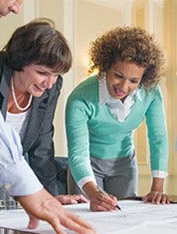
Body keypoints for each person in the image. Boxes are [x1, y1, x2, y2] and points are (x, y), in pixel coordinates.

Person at [0, 1, 95, 233]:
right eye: (43, 72)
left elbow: (41, 149)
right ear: (21, 62)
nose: (16, 8)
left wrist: (48, 197)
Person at [65, 26, 170, 212]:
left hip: (124, 164)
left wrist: (157, 188)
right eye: (118, 75)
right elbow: (78, 154)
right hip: (87, 165)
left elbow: (158, 139)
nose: (123, 86)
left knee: (124, 219)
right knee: (88, 217)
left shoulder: (151, 92)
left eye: (134, 81)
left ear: (143, 79)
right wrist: (93, 193)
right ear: (106, 66)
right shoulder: (80, 98)